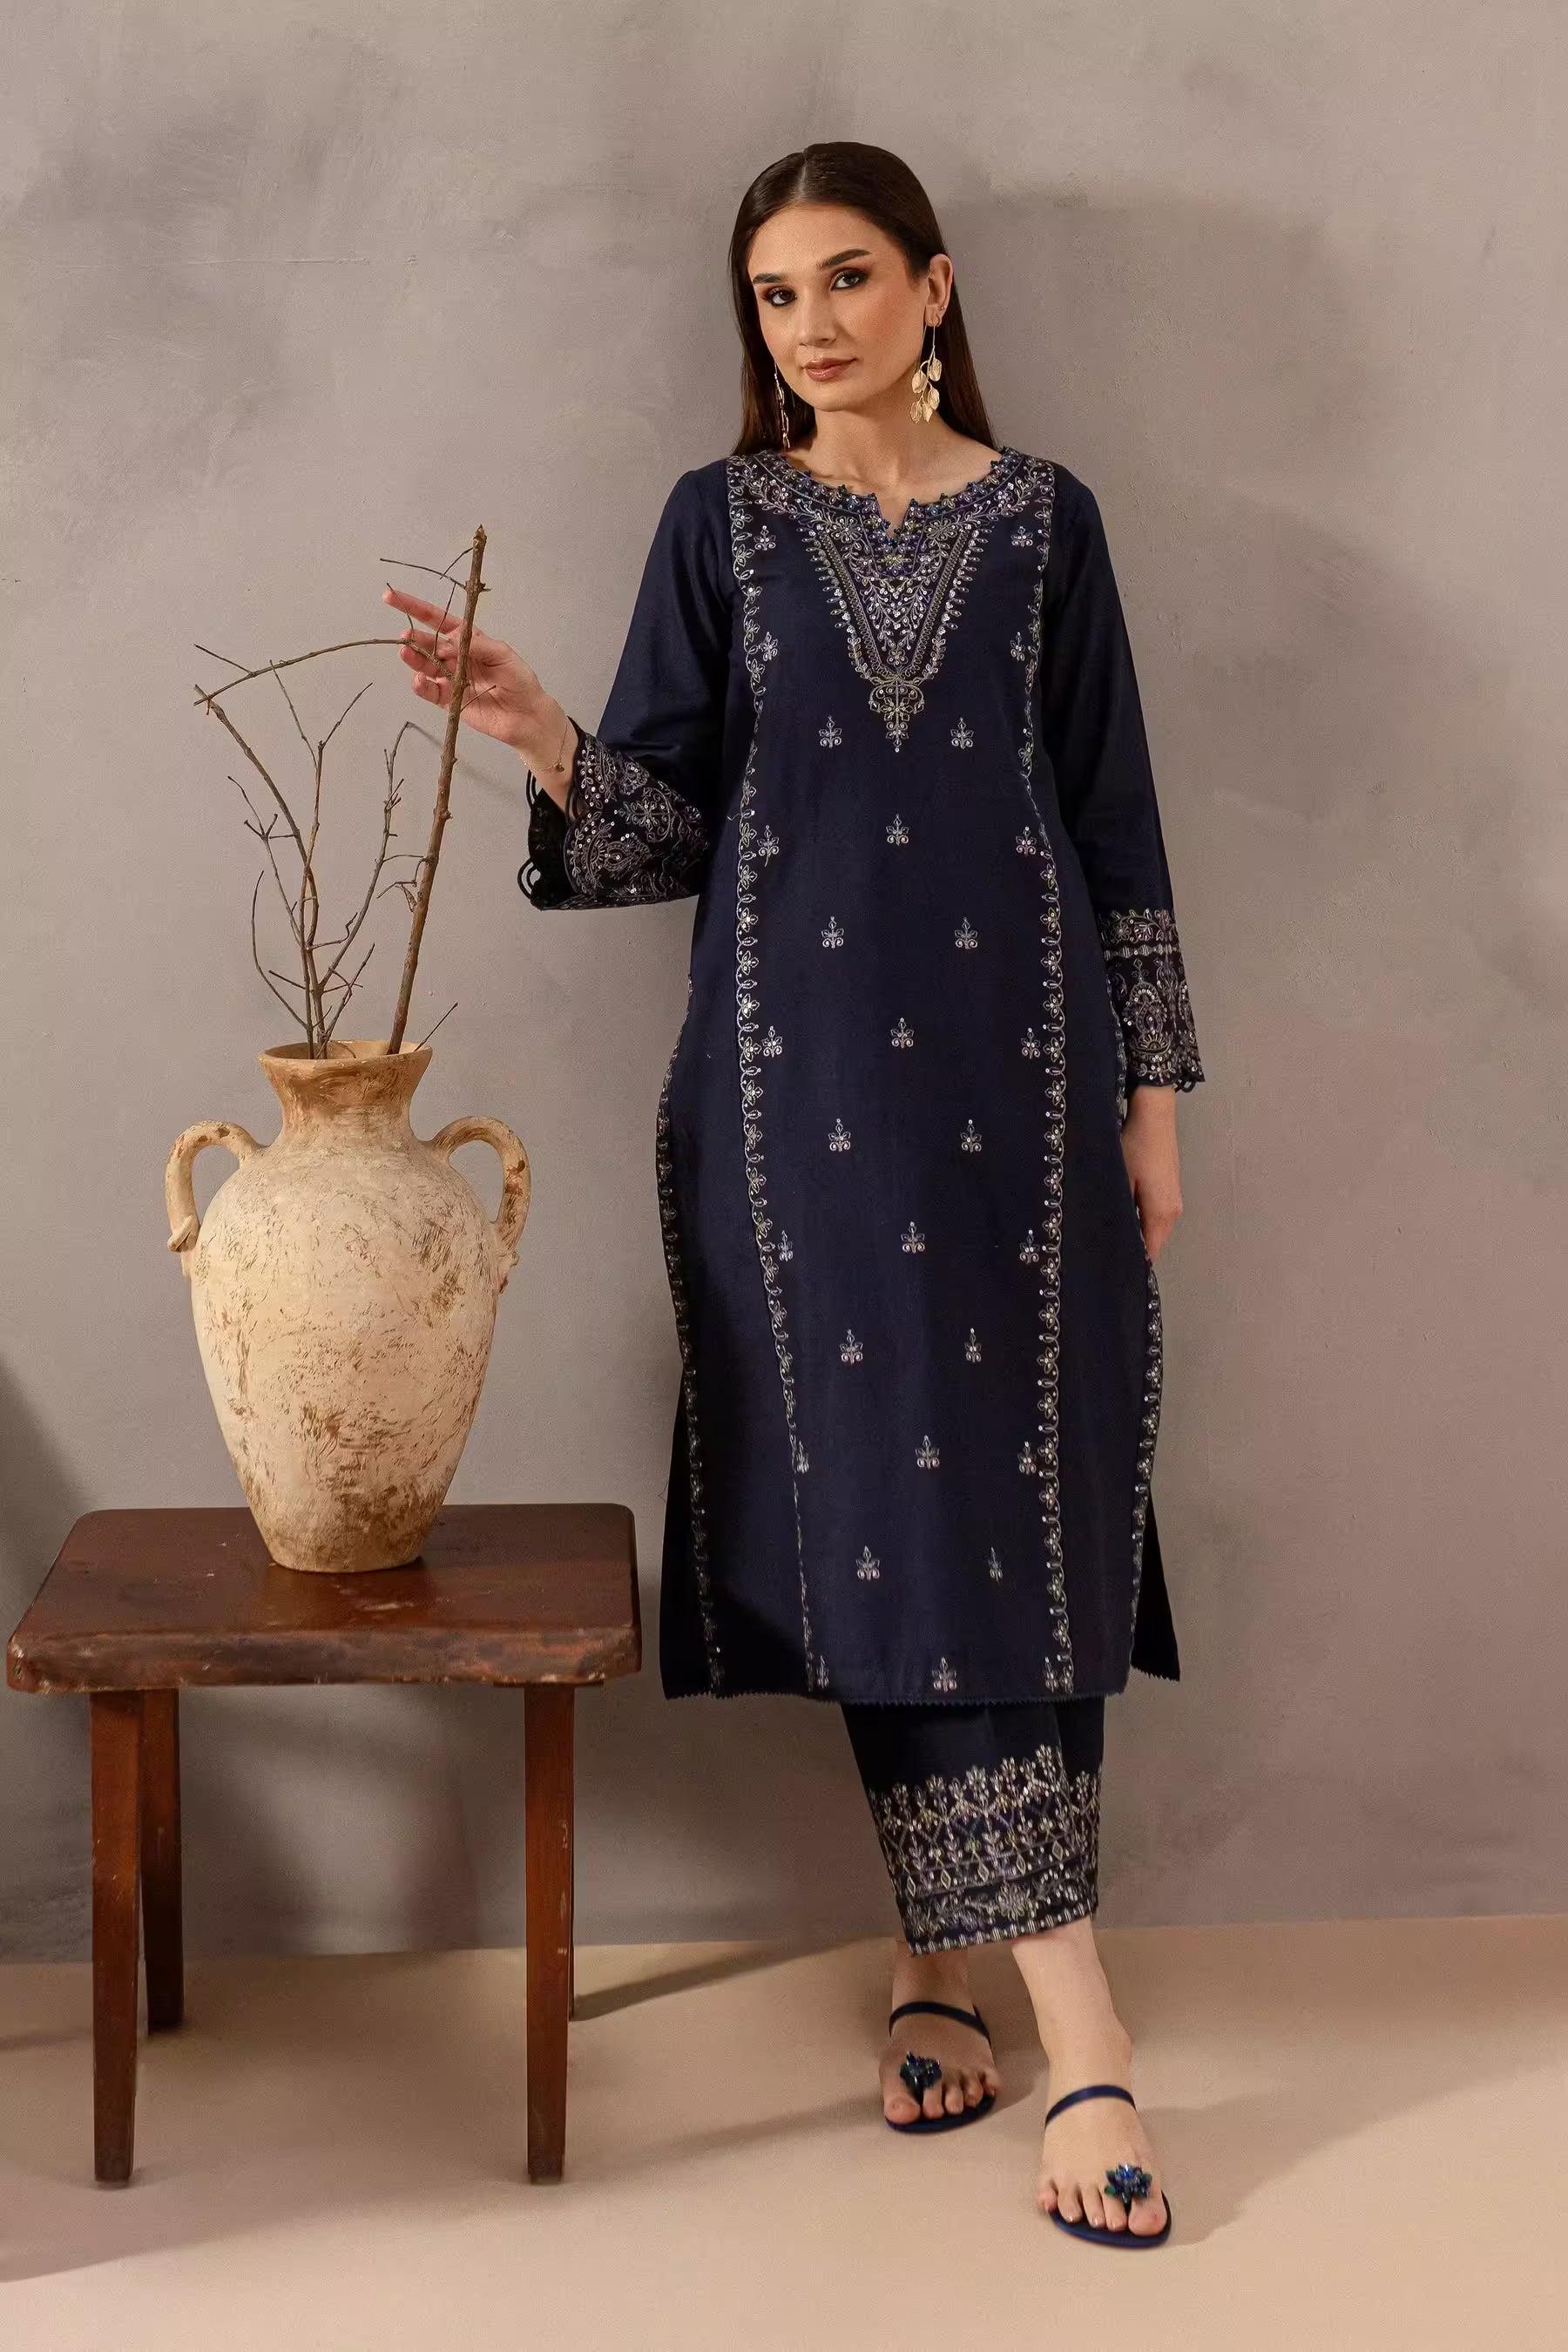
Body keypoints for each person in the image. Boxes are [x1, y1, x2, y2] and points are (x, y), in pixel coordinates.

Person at [384, 140, 1204, 2246]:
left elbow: (1111, 816)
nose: (813, 325)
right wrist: (544, 727)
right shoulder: (723, 525)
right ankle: (1085, 2027)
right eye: (774, 296)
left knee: (1018, 1491)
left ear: (935, 290)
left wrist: (1160, 1100)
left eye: (850, 279)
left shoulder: (1047, 524)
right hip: (793, 1095)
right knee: (887, 1501)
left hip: (1024, 1095)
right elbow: (659, 835)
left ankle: (945, 1963)